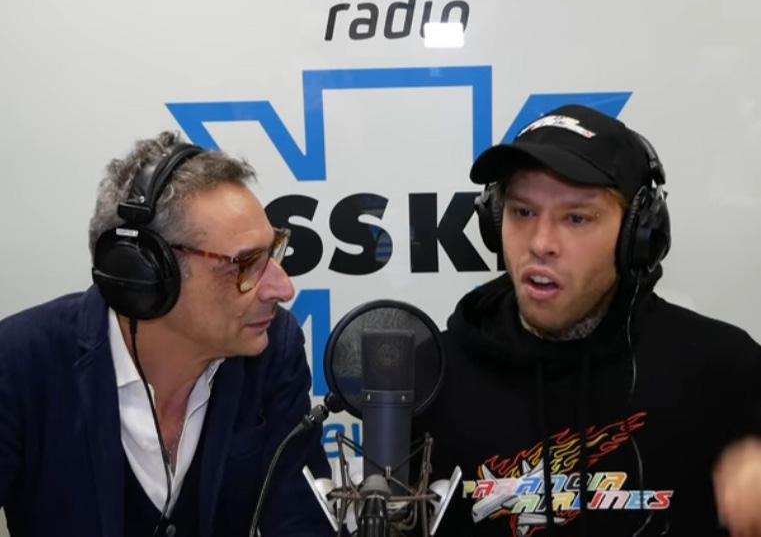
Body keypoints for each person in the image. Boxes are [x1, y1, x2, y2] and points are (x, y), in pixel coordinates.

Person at [413, 105, 761, 537]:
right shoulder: (429, 379)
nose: (541, 243)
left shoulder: (725, 373)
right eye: (522, 212)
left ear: (637, 236)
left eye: (576, 218)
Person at [0, 132, 334, 537]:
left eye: (273, 251)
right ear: (144, 274)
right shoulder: (18, 364)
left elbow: (303, 524)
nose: (283, 289)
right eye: (246, 264)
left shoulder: (274, 350)